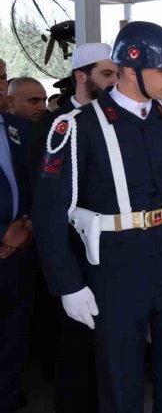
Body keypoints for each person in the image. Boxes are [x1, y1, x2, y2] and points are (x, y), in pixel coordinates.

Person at [31, 21, 162, 413]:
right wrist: (67, 284)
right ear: (130, 69)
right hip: (115, 266)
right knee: (119, 376)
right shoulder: (77, 126)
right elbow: (48, 213)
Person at [26, 42, 117, 413]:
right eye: (107, 74)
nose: (114, 82)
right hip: (71, 255)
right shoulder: (56, 126)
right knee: (75, 346)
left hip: (111, 256)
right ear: (81, 76)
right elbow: (46, 203)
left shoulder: (116, 122)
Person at [0, 109, 32, 412]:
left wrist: (28, 226)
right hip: (6, 243)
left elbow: (41, 179)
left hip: (19, 252)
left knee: (14, 333)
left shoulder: (19, 128)